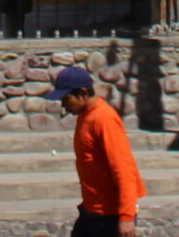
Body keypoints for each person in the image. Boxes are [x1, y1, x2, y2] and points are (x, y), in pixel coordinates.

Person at [47, 65, 141, 237]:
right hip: (90, 210)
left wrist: (127, 217)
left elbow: (124, 170)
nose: (63, 105)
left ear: (83, 93)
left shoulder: (104, 119)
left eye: (66, 99)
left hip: (108, 215)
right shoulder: (85, 116)